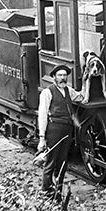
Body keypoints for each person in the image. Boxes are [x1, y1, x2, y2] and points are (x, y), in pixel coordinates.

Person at [37, 65, 82, 198]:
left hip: (67, 129)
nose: (63, 78)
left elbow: (80, 97)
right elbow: (43, 115)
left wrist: (87, 81)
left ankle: (57, 191)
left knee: (62, 162)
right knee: (51, 161)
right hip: (54, 129)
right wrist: (42, 137)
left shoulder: (69, 90)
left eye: (64, 75)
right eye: (59, 75)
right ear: (54, 77)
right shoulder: (47, 92)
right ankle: (46, 192)